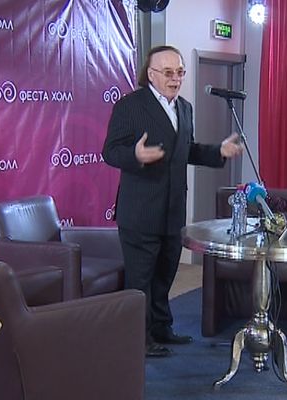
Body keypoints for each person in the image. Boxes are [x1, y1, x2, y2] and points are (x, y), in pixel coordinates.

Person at [102, 45, 243, 357]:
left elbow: (186, 149)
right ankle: (138, 338)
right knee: (141, 280)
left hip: (173, 210)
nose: (175, 78)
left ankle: (162, 327)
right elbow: (110, 151)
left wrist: (217, 151)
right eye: (168, 72)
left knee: (165, 274)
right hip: (140, 211)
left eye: (180, 72)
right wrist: (135, 155)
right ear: (151, 74)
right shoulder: (130, 105)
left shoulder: (185, 108)